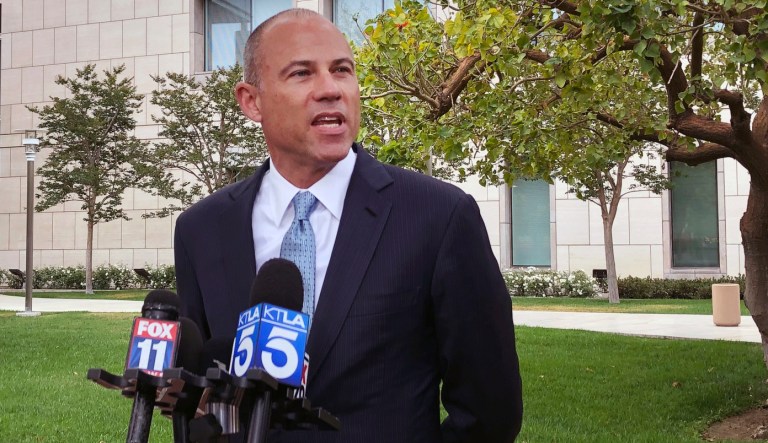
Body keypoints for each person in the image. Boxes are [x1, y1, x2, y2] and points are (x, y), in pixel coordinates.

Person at [174, 8, 523, 443]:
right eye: (302, 73)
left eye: (342, 70)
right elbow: (199, 394)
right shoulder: (201, 229)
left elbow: (490, 411)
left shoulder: (439, 216)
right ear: (251, 101)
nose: (330, 89)